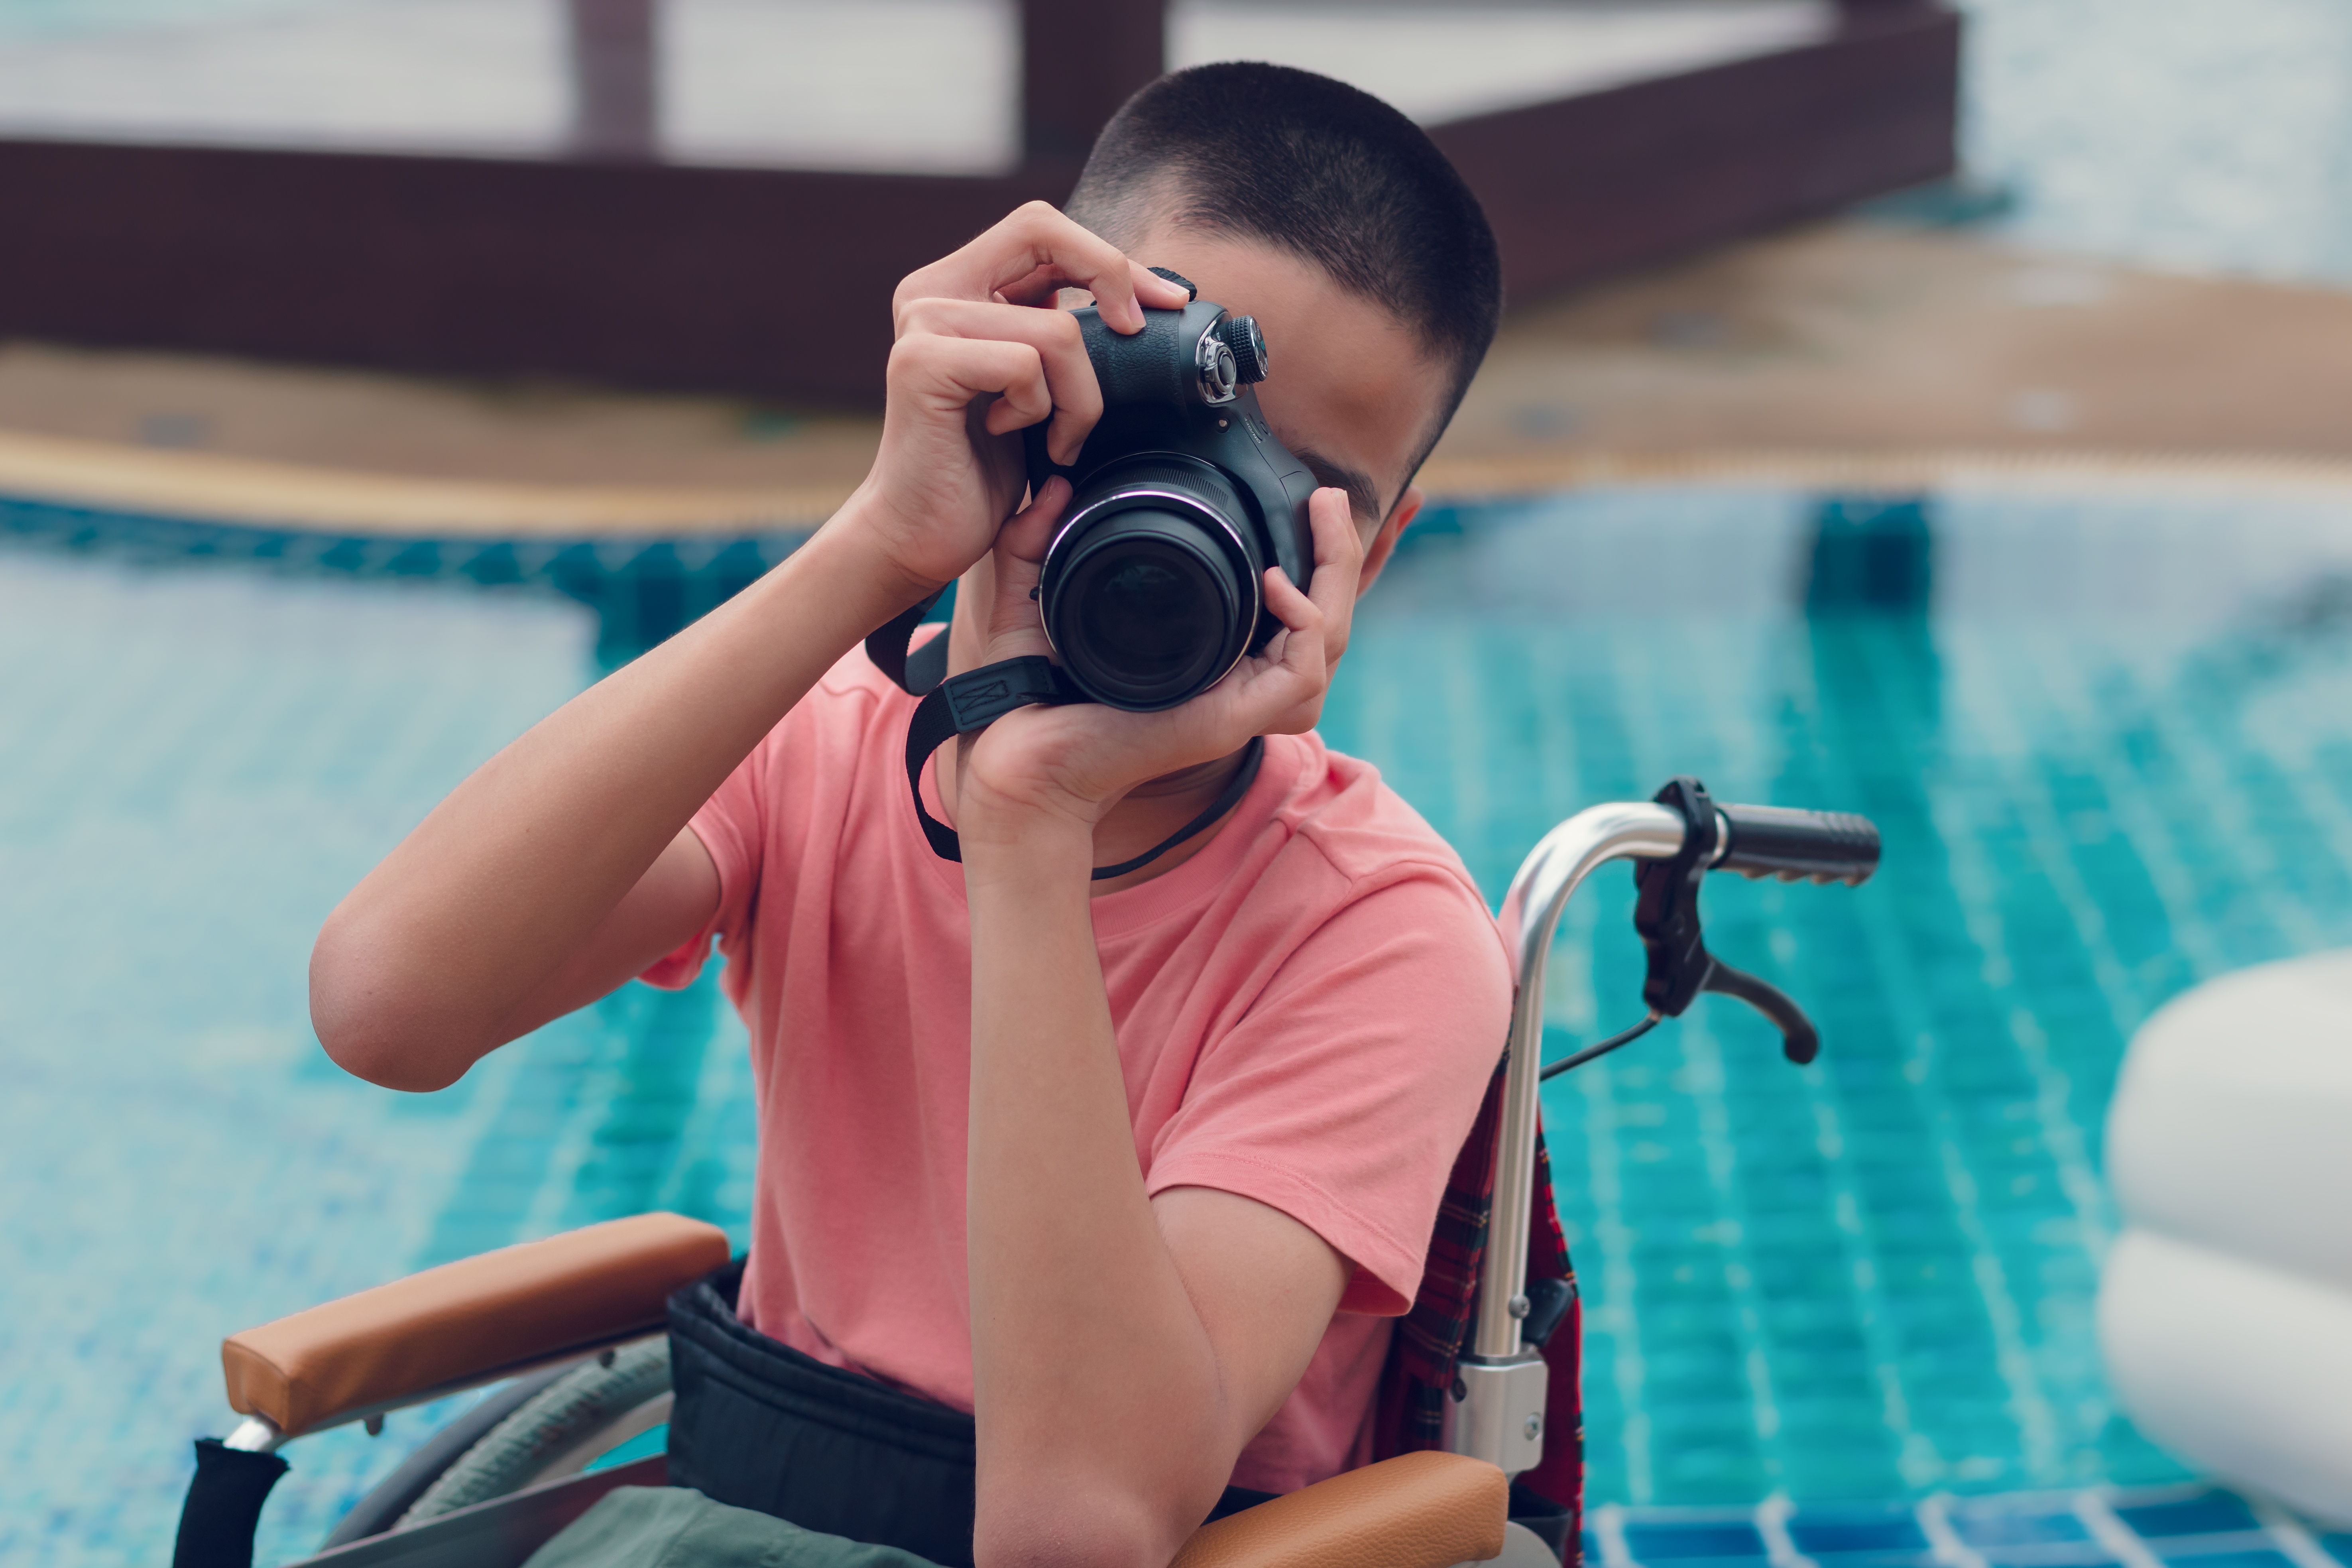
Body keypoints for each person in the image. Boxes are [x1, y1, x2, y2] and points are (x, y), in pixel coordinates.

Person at [311, 61, 1512, 1568]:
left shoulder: (1378, 936)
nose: (1201, 513)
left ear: (1374, 557)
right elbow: (386, 1012)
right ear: (1024, 368)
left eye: (1298, 487)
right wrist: (878, 542)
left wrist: (1031, 825)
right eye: (1164, 427)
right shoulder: (825, 746)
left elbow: (1072, 1534)